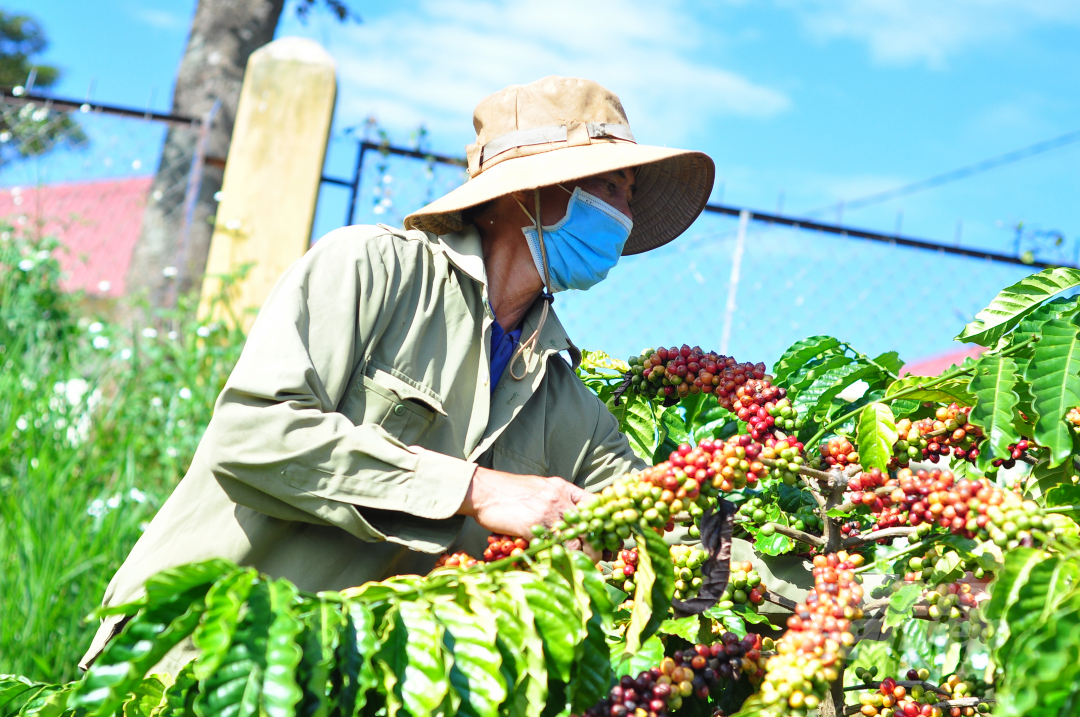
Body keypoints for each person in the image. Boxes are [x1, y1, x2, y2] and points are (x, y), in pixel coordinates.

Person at [80, 75, 714, 673]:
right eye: (608, 187)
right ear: (524, 190)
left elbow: (654, 519)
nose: (624, 216)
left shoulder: (563, 394)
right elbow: (252, 437)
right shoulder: (371, 269)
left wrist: (774, 513)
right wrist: (482, 491)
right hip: (187, 662)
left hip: (346, 688)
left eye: (630, 196)